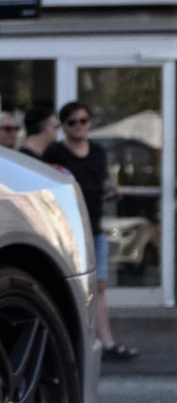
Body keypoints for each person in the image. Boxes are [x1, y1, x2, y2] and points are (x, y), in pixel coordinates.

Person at [43, 104, 138, 360]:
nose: (79, 126)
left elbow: (103, 178)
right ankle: (73, 344)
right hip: (67, 229)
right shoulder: (55, 152)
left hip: (93, 227)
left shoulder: (96, 151)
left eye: (83, 120)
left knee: (99, 286)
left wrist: (111, 188)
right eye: (73, 122)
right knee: (71, 285)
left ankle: (105, 342)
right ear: (63, 126)